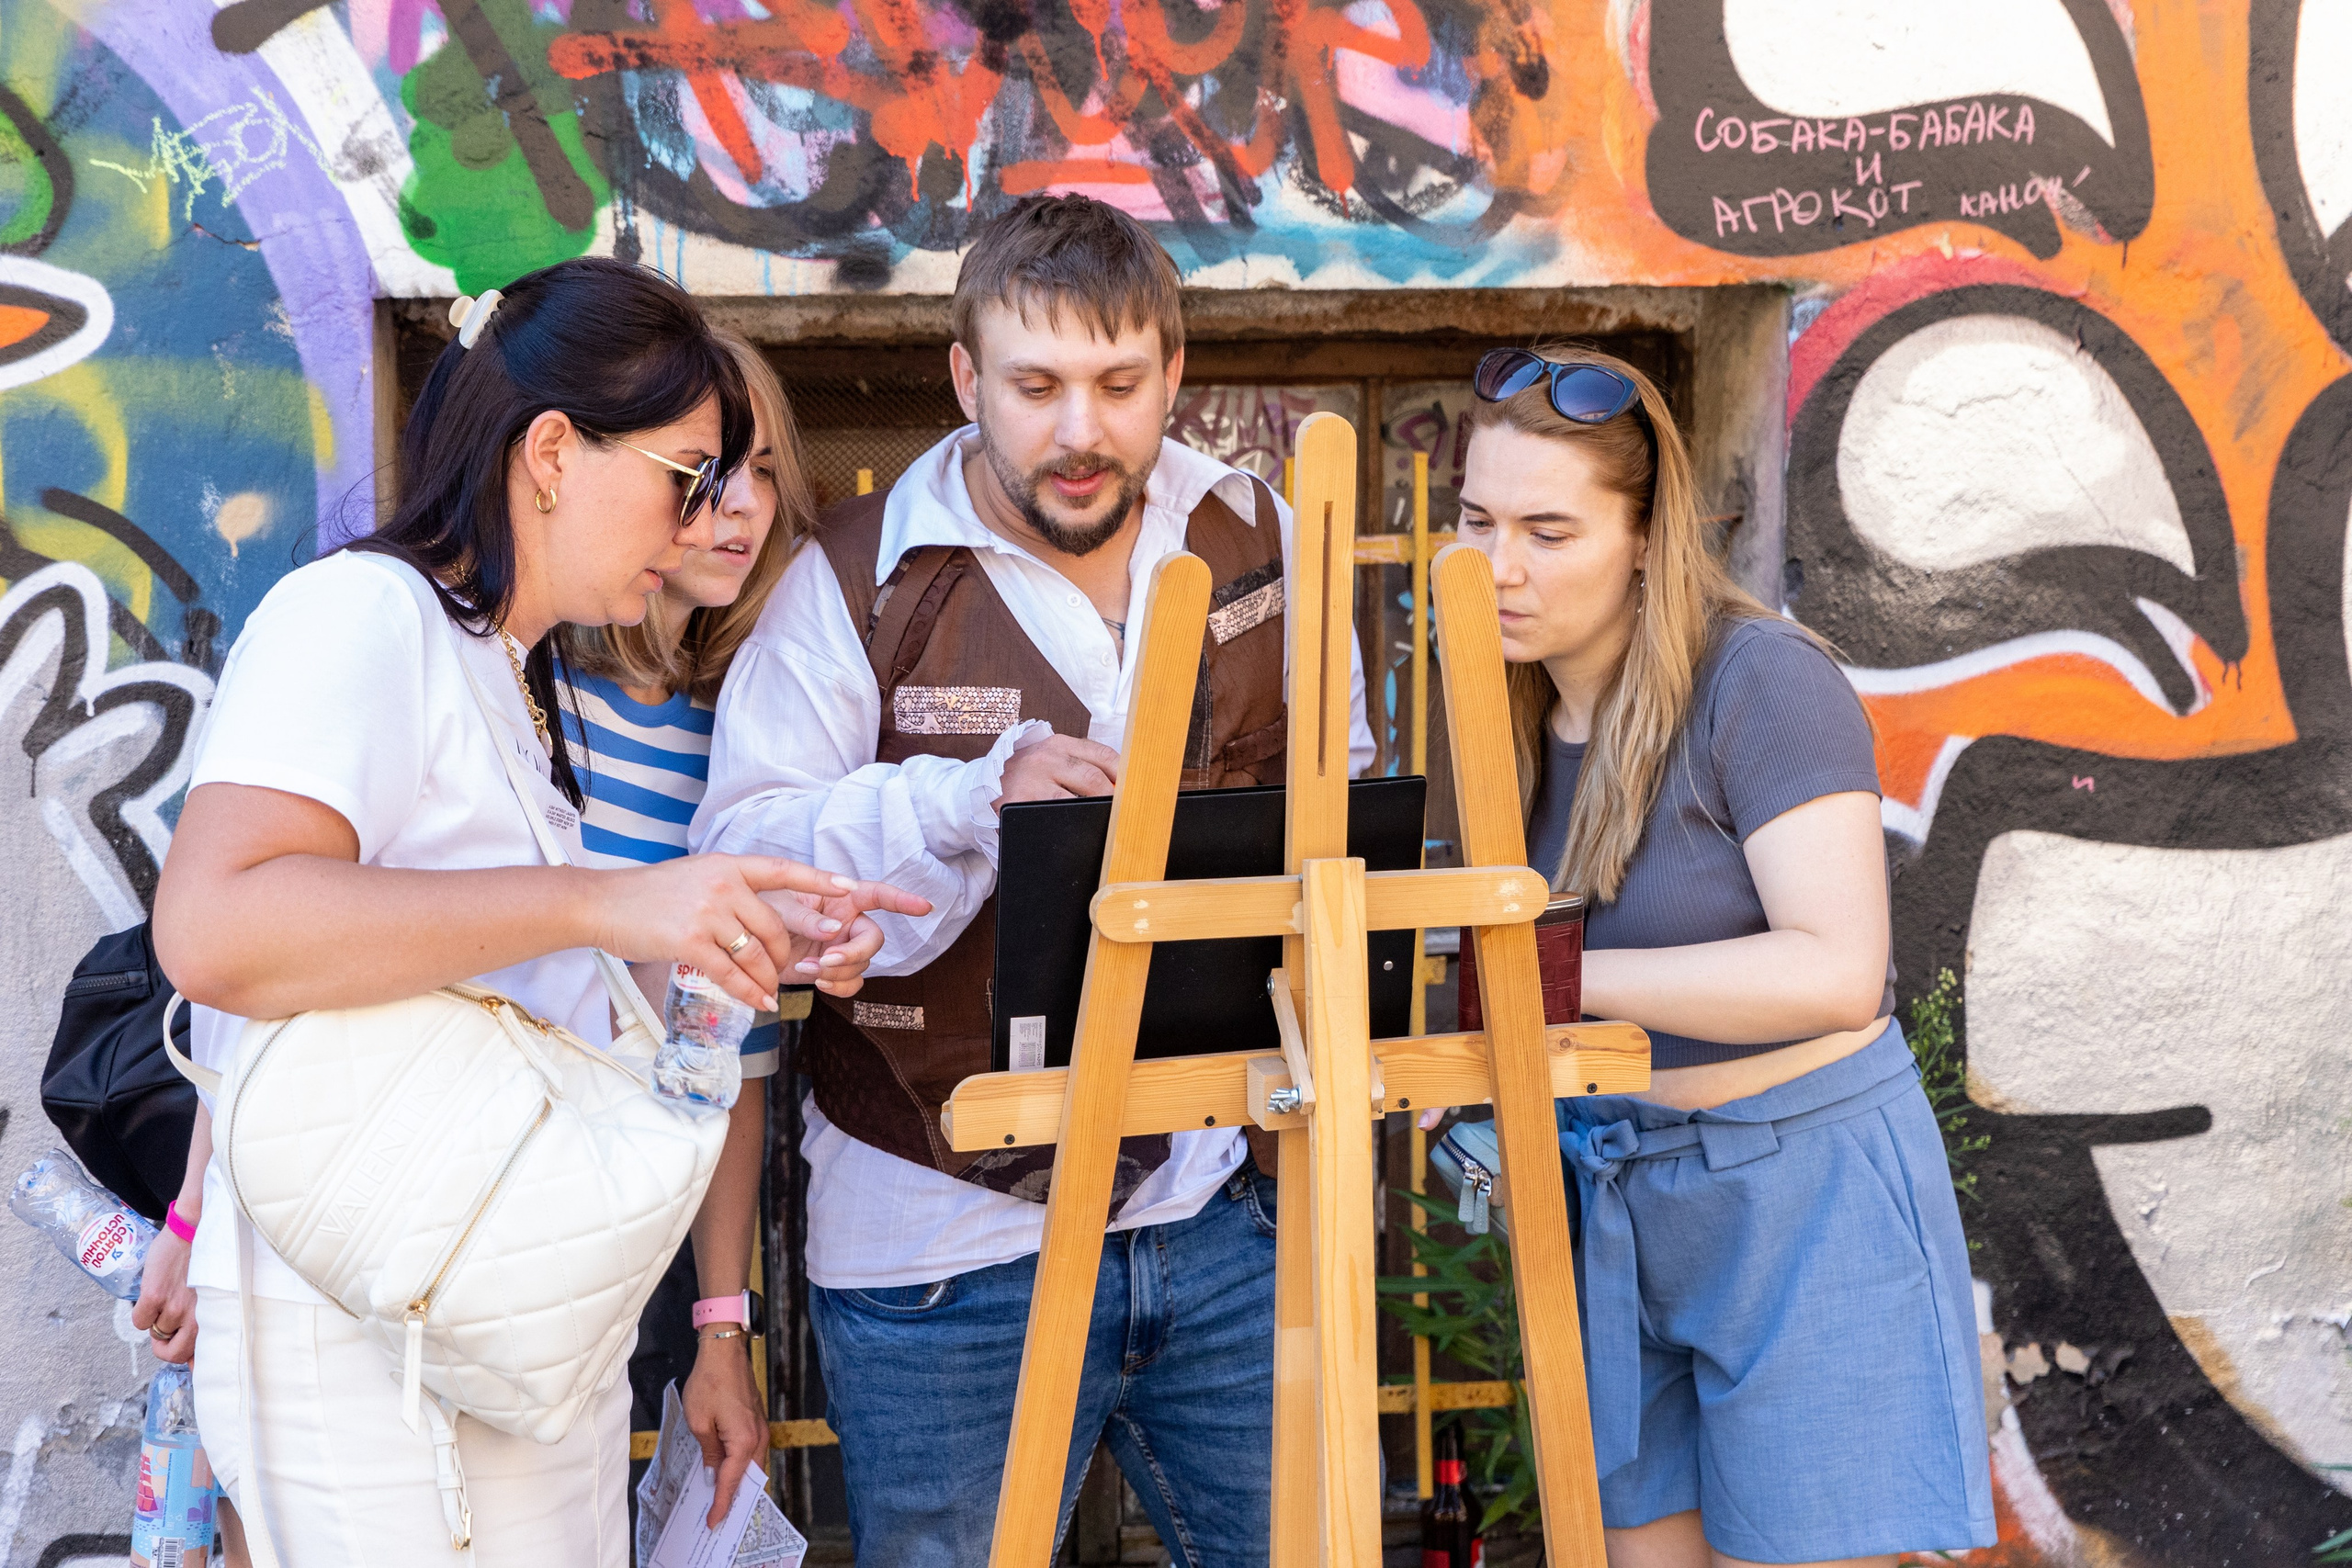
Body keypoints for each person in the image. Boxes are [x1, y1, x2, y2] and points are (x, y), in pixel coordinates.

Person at [147, 257, 925, 1566]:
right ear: (553, 453)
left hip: (497, 1323)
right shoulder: (363, 614)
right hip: (371, 1336)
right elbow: (217, 930)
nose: (703, 521)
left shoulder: (508, 673)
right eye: (686, 476)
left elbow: (505, 991)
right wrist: (611, 901)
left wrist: (726, 937)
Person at [691, 194, 1373, 1566]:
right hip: (940, 1254)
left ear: (1173, 375)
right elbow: (744, 866)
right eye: (1037, 386)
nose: (1081, 432)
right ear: (966, 380)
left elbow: (1340, 791)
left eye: (1119, 385)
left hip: (1216, 1214)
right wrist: (967, 801)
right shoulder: (854, 583)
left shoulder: (1261, 534)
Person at [1441, 346, 1994, 1566]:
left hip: (1802, 1204)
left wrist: (1555, 981)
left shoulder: (1760, 680)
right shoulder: (1499, 710)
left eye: (1549, 531)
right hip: (1619, 1196)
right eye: (1477, 521)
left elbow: (1837, 971)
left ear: (1646, 537)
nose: (1499, 565)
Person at [560, 330, 817, 1526]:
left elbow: (734, 1063)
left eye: (763, 471)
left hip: (649, 1249)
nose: (744, 508)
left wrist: (723, 1329)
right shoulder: (534, 695)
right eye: (709, 474)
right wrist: (195, 1220)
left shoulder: (740, 734)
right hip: (487, 1214)